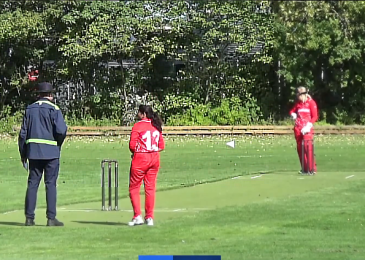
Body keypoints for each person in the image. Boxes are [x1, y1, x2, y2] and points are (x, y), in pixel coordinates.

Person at [18, 82, 68, 226]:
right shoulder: (54, 109)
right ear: (50, 95)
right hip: (51, 152)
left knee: (33, 184)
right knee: (50, 184)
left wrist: (23, 153)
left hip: (33, 152)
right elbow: (61, 131)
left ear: (38, 94)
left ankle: (29, 218)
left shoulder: (30, 109)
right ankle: (51, 218)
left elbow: (22, 134)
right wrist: (57, 144)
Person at [128, 105, 165, 226]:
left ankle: (137, 216)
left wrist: (138, 152)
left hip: (141, 157)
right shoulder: (156, 125)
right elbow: (161, 146)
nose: (137, 115)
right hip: (154, 158)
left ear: (143, 114)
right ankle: (149, 217)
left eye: (139, 113)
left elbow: (132, 146)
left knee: (134, 187)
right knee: (150, 188)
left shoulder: (138, 126)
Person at [289, 86, 318, 174]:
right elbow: (292, 111)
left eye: (300, 95)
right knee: (300, 148)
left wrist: (308, 126)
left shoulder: (311, 103)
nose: (299, 97)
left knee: (307, 147)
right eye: (298, 95)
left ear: (305, 94)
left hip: (307, 128)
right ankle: (305, 168)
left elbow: (315, 116)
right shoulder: (298, 104)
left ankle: (311, 169)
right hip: (298, 128)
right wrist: (293, 114)